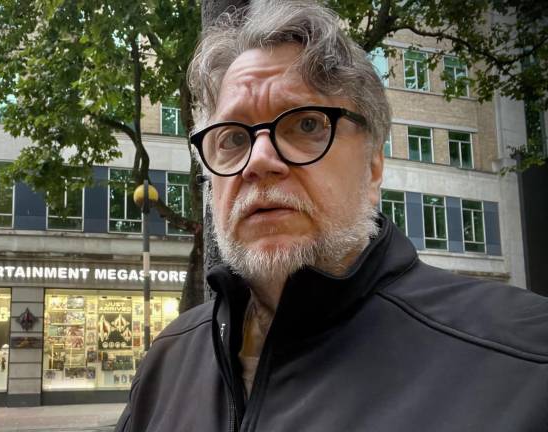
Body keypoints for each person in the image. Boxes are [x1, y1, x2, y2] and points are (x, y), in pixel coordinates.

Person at [115, 1, 548, 431]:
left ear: (373, 165)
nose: (258, 161)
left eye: (306, 125)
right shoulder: (167, 362)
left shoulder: (525, 360)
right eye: (232, 138)